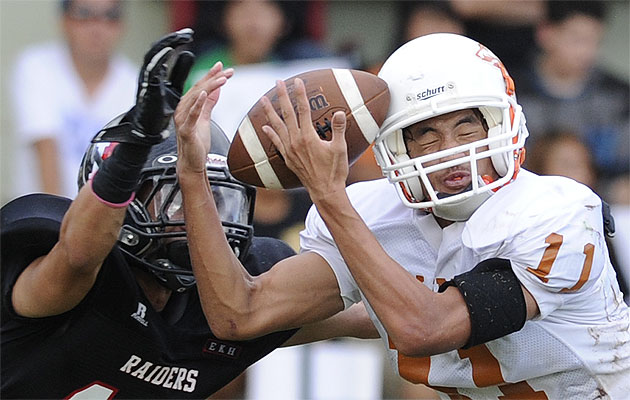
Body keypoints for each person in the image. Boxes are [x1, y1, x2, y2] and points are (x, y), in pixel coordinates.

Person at [175, 33, 630, 399]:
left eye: (466, 124)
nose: (451, 151)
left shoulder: (557, 214)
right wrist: (193, 173)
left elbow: (426, 328)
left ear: (502, 123)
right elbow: (241, 314)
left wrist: (329, 195)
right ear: (395, 148)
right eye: (425, 134)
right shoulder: (376, 214)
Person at [1, 30, 369, 399]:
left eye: (219, 199)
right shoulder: (77, 278)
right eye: (178, 197)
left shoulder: (239, 295)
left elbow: (371, 314)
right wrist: (136, 145)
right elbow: (78, 256)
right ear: (127, 198)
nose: (200, 214)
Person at [9, 0, 138, 199]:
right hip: (42, 216)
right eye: (84, 14)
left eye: (109, 16)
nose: (97, 28)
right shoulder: (37, 66)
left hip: (106, 219)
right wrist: (54, 222)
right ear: (64, 20)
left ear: (122, 24)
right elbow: (45, 148)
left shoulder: (135, 83)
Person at [512, 1, 629, 183]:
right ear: (546, 33)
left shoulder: (618, 96)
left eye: (595, 41)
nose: (587, 52)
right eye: (577, 39)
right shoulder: (513, 94)